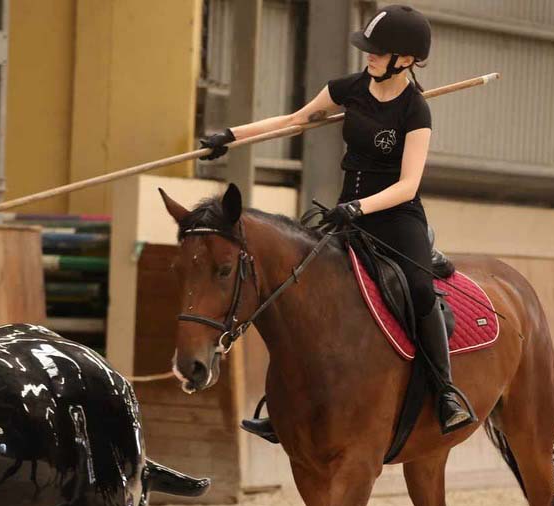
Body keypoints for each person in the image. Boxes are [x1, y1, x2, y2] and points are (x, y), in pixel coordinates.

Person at [198, 4, 476, 437]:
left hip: (395, 215)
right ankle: (287, 404)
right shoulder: (350, 89)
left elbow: (409, 184)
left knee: (421, 290)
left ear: (405, 59)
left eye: (378, 51)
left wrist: (361, 208)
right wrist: (229, 137)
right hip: (346, 209)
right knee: (304, 289)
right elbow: (292, 121)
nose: (369, 56)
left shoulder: (415, 111)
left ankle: (445, 392)